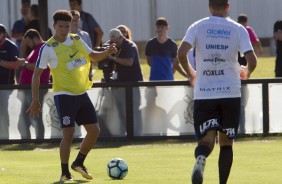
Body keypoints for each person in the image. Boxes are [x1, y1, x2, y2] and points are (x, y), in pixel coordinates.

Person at [26, 10, 117, 181]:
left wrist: (107, 51)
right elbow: (36, 74)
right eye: (61, 26)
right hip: (64, 95)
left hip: (81, 93)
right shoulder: (48, 48)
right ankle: (64, 171)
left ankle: (79, 162)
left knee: (94, 130)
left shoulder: (76, 39)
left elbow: (93, 57)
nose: (64, 29)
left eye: (67, 26)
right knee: (68, 133)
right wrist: (35, 100)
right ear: (54, 26)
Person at [177, 0, 257, 184]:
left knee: (206, 142)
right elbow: (252, 59)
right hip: (230, 91)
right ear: (228, 6)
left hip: (205, 92)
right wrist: (248, 71)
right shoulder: (238, 29)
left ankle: (201, 158)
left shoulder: (198, 26)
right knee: (226, 142)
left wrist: (191, 73)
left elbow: (181, 53)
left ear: (210, 7)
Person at [16, 29, 50, 139]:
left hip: (37, 88)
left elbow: (38, 66)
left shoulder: (43, 47)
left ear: (34, 37)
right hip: (29, 89)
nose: (29, 45)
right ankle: (27, 141)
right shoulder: (36, 49)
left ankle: (39, 141)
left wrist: (24, 64)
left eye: (29, 42)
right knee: (25, 118)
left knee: (35, 117)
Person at [0, 24, 19, 139]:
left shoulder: (11, 46)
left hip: (6, 85)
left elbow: (15, 64)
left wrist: (1, 62)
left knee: (3, 110)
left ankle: (5, 137)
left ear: (3, 34)